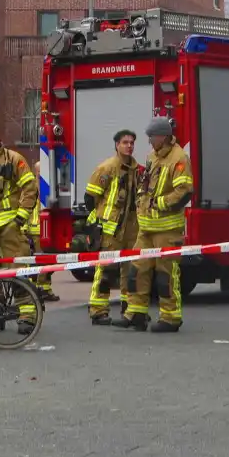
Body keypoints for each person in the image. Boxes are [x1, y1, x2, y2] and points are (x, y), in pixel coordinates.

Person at [117, 118, 192, 333]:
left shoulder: (179, 159)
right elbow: (146, 184)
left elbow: (184, 192)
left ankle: (170, 318)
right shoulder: (153, 157)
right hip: (146, 227)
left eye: (152, 137)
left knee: (165, 275)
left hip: (167, 229)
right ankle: (136, 313)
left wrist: (158, 203)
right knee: (137, 270)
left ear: (164, 136)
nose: (149, 142)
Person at [0, 121, 40, 333]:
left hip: (10, 225)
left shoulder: (14, 159)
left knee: (18, 270)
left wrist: (20, 218)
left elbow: (30, 188)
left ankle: (27, 316)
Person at [85, 129, 141, 326]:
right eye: (125, 142)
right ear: (117, 145)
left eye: (132, 142)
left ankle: (129, 308)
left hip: (131, 229)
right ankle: (98, 310)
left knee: (130, 269)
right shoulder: (107, 168)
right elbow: (90, 198)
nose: (129, 146)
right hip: (110, 230)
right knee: (106, 271)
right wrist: (96, 223)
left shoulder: (136, 169)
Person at [24, 161, 60, 302]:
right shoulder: (32, 188)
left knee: (50, 261)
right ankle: (38, 289)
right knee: (39, 261)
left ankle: (45, 288)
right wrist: (25, 230)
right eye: (39, 172)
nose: (41, 175)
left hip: (49, 231)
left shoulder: (50, 188)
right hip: (36, 230)